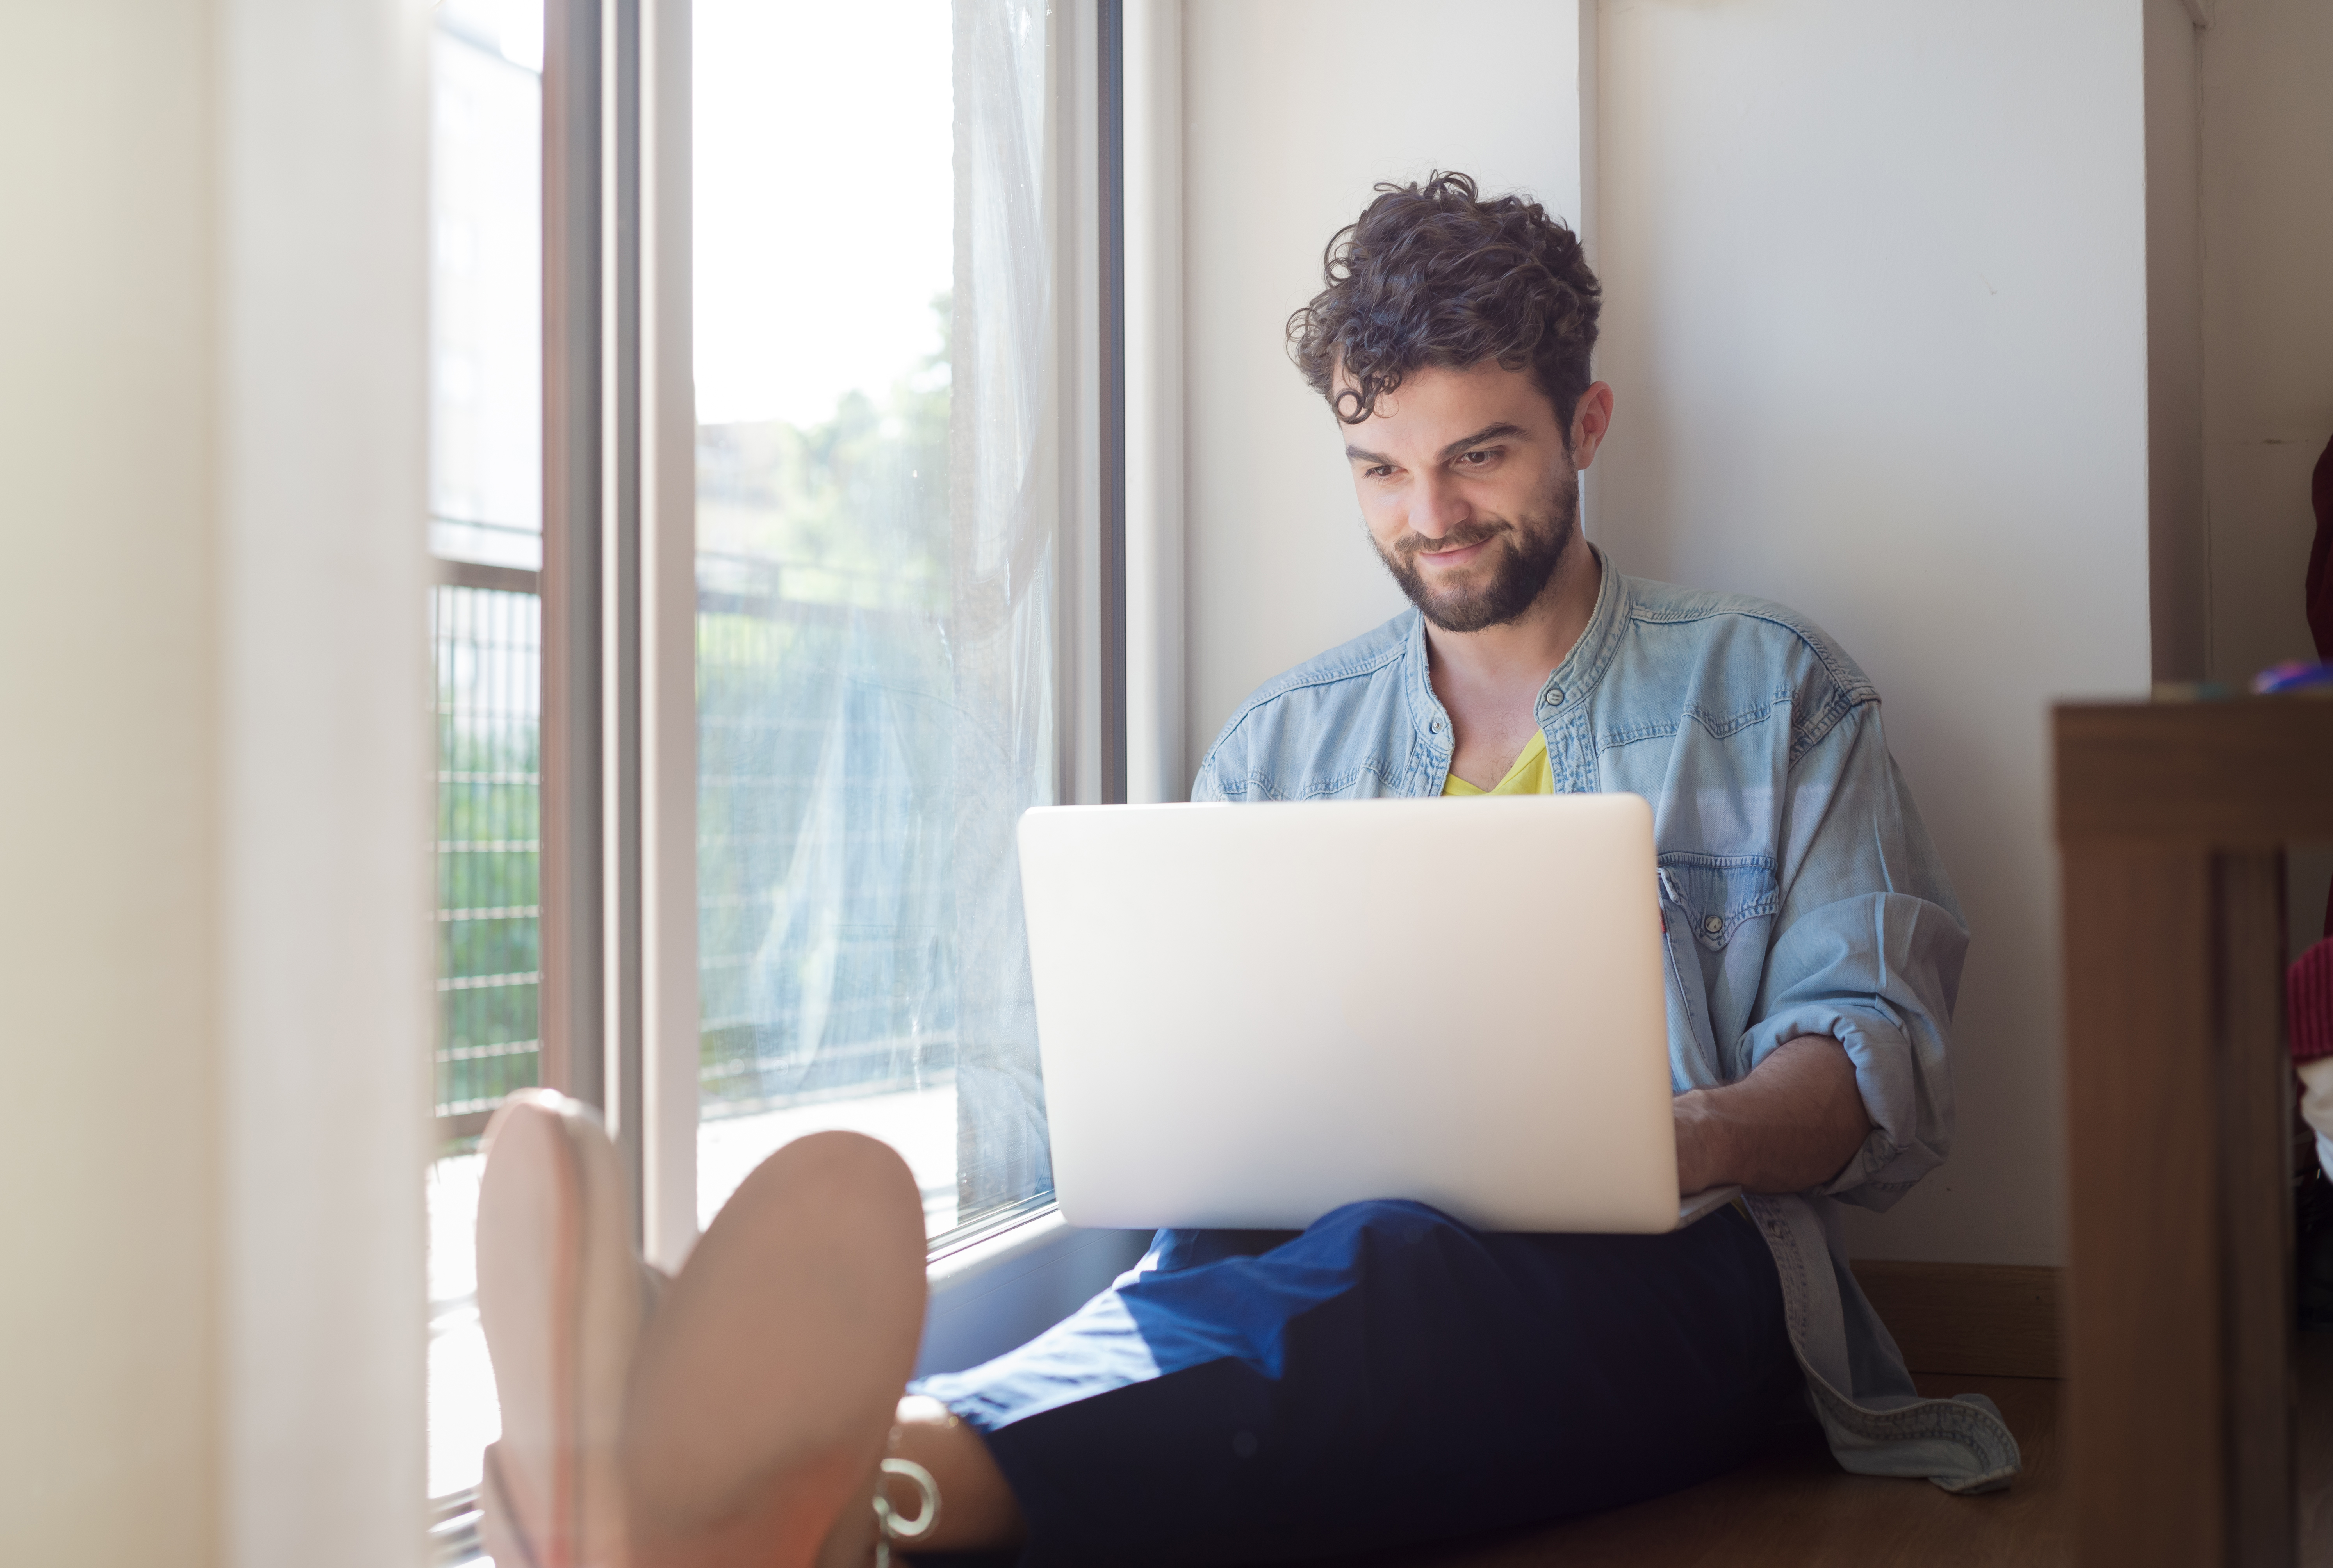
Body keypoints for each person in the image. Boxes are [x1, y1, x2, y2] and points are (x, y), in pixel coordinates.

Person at [474, 172, 2020, 1568]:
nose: (1428, 519)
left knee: (1394, 1267)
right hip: (1301, 1261)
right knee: (1202, 1283)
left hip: (1678, 1282)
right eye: (1377, 468)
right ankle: (782, 1494)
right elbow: (1201, 1109)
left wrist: (1658, 1134)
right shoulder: (1282, 742)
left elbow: (1869, 1075)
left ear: (1585, 426)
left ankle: (764, 1480)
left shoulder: (1771, 692)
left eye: (1478, 457)